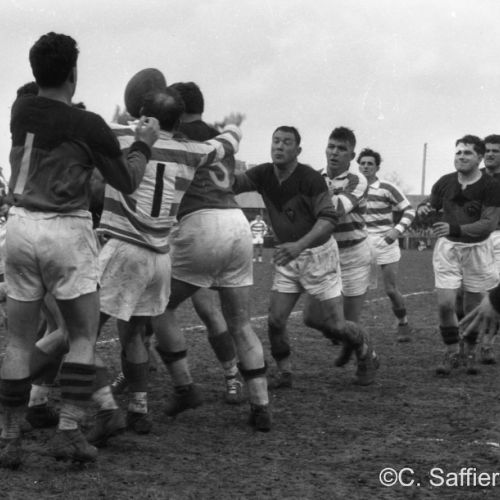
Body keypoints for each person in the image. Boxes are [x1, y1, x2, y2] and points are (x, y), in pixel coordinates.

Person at [0, 32, 159, 468]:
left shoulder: (20, 110)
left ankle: (9, 439)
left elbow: (50, 115)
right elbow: (127, 181)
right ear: (73, 72)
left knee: (18, 341)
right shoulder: (90, 126)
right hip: (66, 229)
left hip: (20, 226)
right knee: (82, 335)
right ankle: (69, 431)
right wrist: (143, 142)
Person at [85, 86, 245, 445]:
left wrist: (122, 119)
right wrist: (234, 126)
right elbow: (226, 144)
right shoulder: (192, 151)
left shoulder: (126, 136)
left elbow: (86, 125)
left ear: (146, 117)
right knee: (134, 333)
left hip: (123, 249)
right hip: (159, 257)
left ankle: (106, 409)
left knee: (82, 334)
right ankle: (139, 409)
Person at [149, 81, 270, 430]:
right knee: (240, 324)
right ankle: (261, 406)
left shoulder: (174, 136)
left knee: (157, 306)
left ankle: (184, 386)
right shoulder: (220, 138)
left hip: (199, 225)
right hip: (236, 223)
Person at [232, 126, 379, 388]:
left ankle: (364, 350)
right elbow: (233, 183)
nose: (334, 153)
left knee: (340, 324)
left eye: (341, 149)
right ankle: (285, 373)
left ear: (352, 155)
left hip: (345, 253)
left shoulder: (351, 180)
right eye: (331, 147)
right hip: (299, 251)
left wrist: (299, 227)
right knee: (290, 319)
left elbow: (331, 212)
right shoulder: (307, 175)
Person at [417, 135, 500, 376]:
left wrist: (454, 228)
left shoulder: (491, 186)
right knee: (446, 305)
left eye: (468, 153)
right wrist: (424, 209)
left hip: (479, 250)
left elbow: (488, 224)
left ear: (479, 157)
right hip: (448, 249)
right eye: (458, 152)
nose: (461, 157)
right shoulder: (444, 182)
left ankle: (471, 351)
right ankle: (452, 352)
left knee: (473, 307)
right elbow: (430, 206)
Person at [358, 148, 415, 342]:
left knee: (390, 289)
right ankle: (347, 329)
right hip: (360, 243)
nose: (366, 167)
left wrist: (397, 230)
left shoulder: (387, 187)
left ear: (377, 167)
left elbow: (409, 211)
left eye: (370, 164)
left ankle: (403, 323)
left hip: (385, 243)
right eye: (362, 163)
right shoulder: (353, 187)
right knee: (353, 289)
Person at [477, 135, 500, 363]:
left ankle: (487, 344)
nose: (491, 154)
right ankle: (466, 340)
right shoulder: (475, 176)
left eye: (496, 150)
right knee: (466, 291)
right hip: (475, 238)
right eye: (487, 150)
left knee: (495, 293)